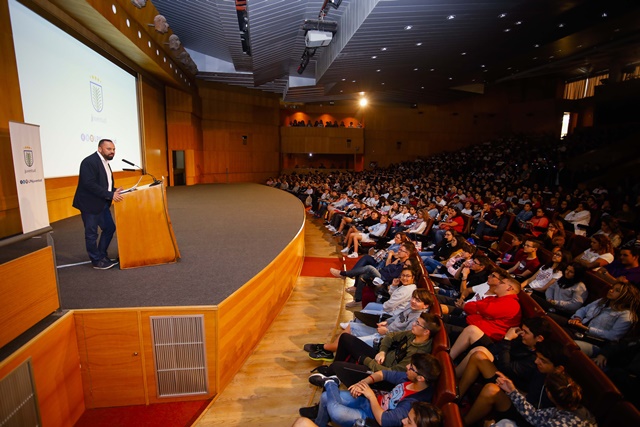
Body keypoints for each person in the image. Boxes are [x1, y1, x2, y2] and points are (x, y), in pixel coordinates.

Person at [300, 353, 441, 427]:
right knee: (325, 397)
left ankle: (330, 382)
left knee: (336, 412)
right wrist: (363, 383)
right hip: (370, 401)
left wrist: (371, 396)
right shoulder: (409, 378)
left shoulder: (414, 403)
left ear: (421, 378)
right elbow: (383, 374)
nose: (407, 367)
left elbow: (384, 420)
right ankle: (319, 424)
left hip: (372, 416)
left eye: (411, 368)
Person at [72, 139, 124, 270]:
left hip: (102, 203)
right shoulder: (89, 162)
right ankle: (96, 261)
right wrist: (110, 194)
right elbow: (89, 184)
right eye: (109, 149)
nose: (112, 152)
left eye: (113, 149)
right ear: (100, 149)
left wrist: (113, 190)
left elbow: (103, 183)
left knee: (109, 228)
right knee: (91, 233)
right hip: (89, 204)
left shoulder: (105, 162)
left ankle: (101, 255)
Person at [495, 371, 597, 427]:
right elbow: (535, 417)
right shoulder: (575, 409)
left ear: (549, 394)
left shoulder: (561, 423)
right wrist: (513, 391)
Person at [568, 280, 640, 356]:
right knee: (556, 330)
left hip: (595, 341)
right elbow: (584, 309)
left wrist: (587, 329)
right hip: (579, 328)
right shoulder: (602, 301)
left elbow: (613, 336)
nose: (611, 290)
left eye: (617, 290)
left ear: (625, 296)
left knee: (568, 344)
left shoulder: (626, 315)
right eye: (612, 288)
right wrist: (577, 318)